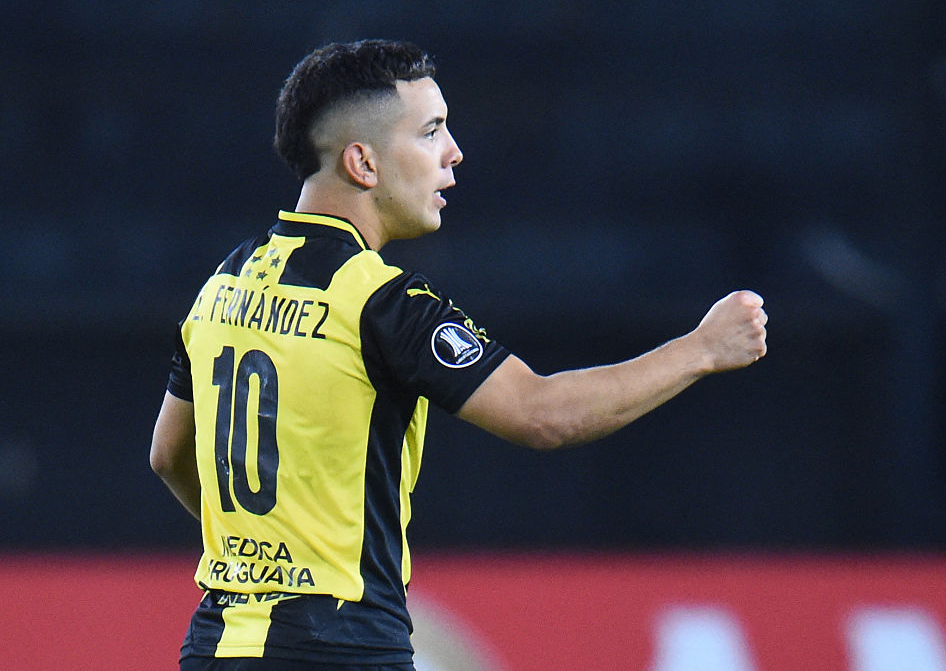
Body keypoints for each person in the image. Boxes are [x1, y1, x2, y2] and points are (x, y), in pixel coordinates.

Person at [150, 39, 767, 670]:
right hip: (339, 651)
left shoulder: (222, 285)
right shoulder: (383, 303)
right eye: (430, 132)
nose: (454, 152)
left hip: (216, 647)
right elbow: (541, 412)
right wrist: (701, 349)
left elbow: (168, 452)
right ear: (363, 163)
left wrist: (267, 552)